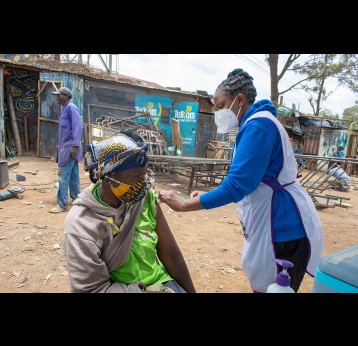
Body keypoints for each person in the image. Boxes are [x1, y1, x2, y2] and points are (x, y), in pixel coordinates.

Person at [159, 68, 323, 293]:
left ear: (240, 99)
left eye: (221, 106)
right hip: (275, 223)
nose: (218, 113)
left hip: (282, 228)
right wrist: (206, 195)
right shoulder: (255, 124)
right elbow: (246, 177)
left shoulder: (258, 126)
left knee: (272, 288)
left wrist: (183, 204)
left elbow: (237, 185)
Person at [63, 130, 196, 293]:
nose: (144, 184)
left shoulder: (145, 201)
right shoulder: (81, 224)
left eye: (145, 175)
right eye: (136, 177)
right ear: (110, 176)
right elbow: (92, 289)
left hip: (162, 283)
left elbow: (171, 254)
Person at [50, 86, 83, 213]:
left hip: (70, 148)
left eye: (59, 95)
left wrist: (75, 145)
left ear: (67, 97)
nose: (57, 98)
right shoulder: (64, 109)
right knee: (74, 175)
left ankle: (62, 204)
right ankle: (76, 199)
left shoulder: (71, 107)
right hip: (66, 147)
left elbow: (77, 127)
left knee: (63, 175)